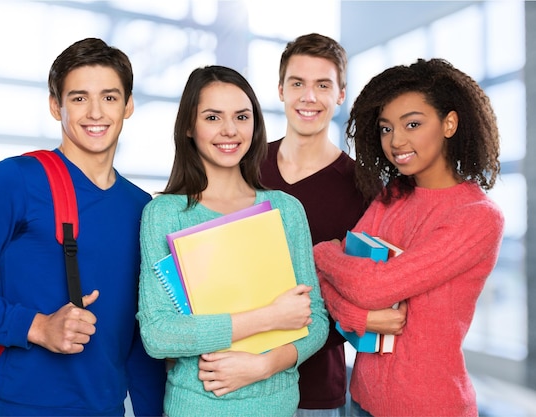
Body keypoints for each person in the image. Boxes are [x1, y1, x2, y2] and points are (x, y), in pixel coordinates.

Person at [0, 38, 166, 416]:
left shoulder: (142, 207)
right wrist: (36, 327)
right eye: (79, 98)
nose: (96, 112)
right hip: (26, 406)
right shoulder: (15, 180)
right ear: (57, 106)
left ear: (128, 104)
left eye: (110, 97)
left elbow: (138, 339)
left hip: (109, 409)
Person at [313, 58, 504, 417]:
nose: (396, 141)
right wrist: (358, 315)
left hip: (428, 407)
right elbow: (326, 282)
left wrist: (322, 252)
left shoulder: (477, 217)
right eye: (386, 129)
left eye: (412, 124)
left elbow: (373, 287)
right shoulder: (392, 197)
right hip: (362, 399)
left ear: (449, 123)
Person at [136, 65, 329, 417]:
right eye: (213, 117)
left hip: (277, 404)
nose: (229, 130)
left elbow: (314, 317)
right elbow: (158, 334)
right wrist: (269, 317)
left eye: (242, 116)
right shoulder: (165, 213)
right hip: (196, 407)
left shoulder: (285, 210)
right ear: (189, 128)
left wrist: (264, 366)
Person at [260, 32, 378, 416]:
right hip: (236, 378)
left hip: (314, 392)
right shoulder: (244, 167)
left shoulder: (364, 187)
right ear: (281, 89)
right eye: (298, 83)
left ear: (341, 94)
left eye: (322, 85)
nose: (308, 97)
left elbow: (362, 291)